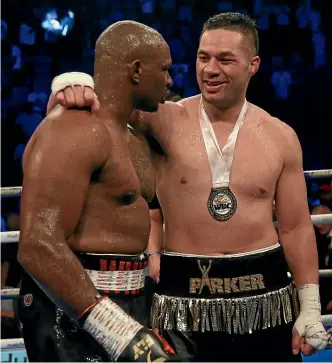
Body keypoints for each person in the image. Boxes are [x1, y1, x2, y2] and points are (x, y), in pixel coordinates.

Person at [47, 12, 328, 362]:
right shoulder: (161, 119)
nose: (210, 69)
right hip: (185, 301)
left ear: (253, 65)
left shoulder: (280, 136)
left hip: (265, 297)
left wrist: (311, 305)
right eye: (203, 57)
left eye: (225, 59)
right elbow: (98, 108)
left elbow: (296, 226)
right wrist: (73, 83)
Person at [17, 20, 180, 362]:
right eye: (164, 69)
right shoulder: (73, 129)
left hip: (130, 298)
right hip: (72, 308)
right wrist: (116, 328)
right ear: (136, 70)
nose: (170, 80)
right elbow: (37, 244)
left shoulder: (134, 135)